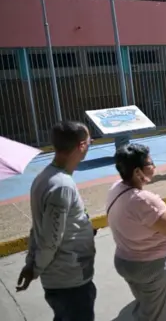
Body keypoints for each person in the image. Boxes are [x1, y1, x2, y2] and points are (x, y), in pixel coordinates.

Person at [17, 121, 96, 320]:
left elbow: (39, 227)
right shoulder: (61, 186)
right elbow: (50, 240)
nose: (90, 144)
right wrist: (34, 268)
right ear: (81, 146)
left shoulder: (45, 177)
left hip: (68, 280)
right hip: (69, 282)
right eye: (89, 141)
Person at [108, 144, 166, 321]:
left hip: (126, 260)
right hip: (150, 266)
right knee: (159, 314)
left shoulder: (116, 188)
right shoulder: (143, 200)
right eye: (150, 163)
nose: (154, 167)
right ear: (137, 172)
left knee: (147, 306)